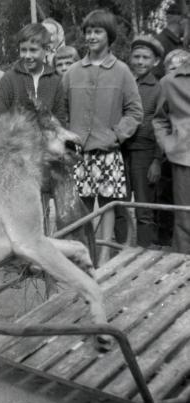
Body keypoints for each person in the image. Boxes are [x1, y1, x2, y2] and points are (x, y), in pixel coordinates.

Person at [63, 9, 143, 265]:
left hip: (108, 152)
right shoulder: (72, 72)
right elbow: (62, 111)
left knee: (109, 205)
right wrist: (68, 137)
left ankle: (106, 256)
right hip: (79, 154)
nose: (91, 36)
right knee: (82, 208)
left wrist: (116, 135)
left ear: (109, 36)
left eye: (97, 31)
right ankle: (85, 255)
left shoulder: (122, 71)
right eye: (88, 32)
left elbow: (135, 111)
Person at [121, 35, 164, 247]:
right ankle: (121, 251)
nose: (140, 61)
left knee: (144, 209)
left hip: (145, 154)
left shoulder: (159, 88)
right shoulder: (124, 83)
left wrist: (157, 160)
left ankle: (145, 252)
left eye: (146, 58)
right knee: (119, 206)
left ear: (155, 61)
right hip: (121, 151)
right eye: (136, 56)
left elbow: (162, 125)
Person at [0, 23, 65, 123]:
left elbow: (60, 120)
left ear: (47, 50)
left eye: (33, 50)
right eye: (23, 50)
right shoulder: (9, 79)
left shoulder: (55, 81)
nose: (27, 56)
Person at [153, 58, 190, 253]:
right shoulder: (170, 82)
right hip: (184, 160)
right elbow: (160, 119)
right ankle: (183, 268)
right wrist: (169, 145)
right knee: (185, 220)